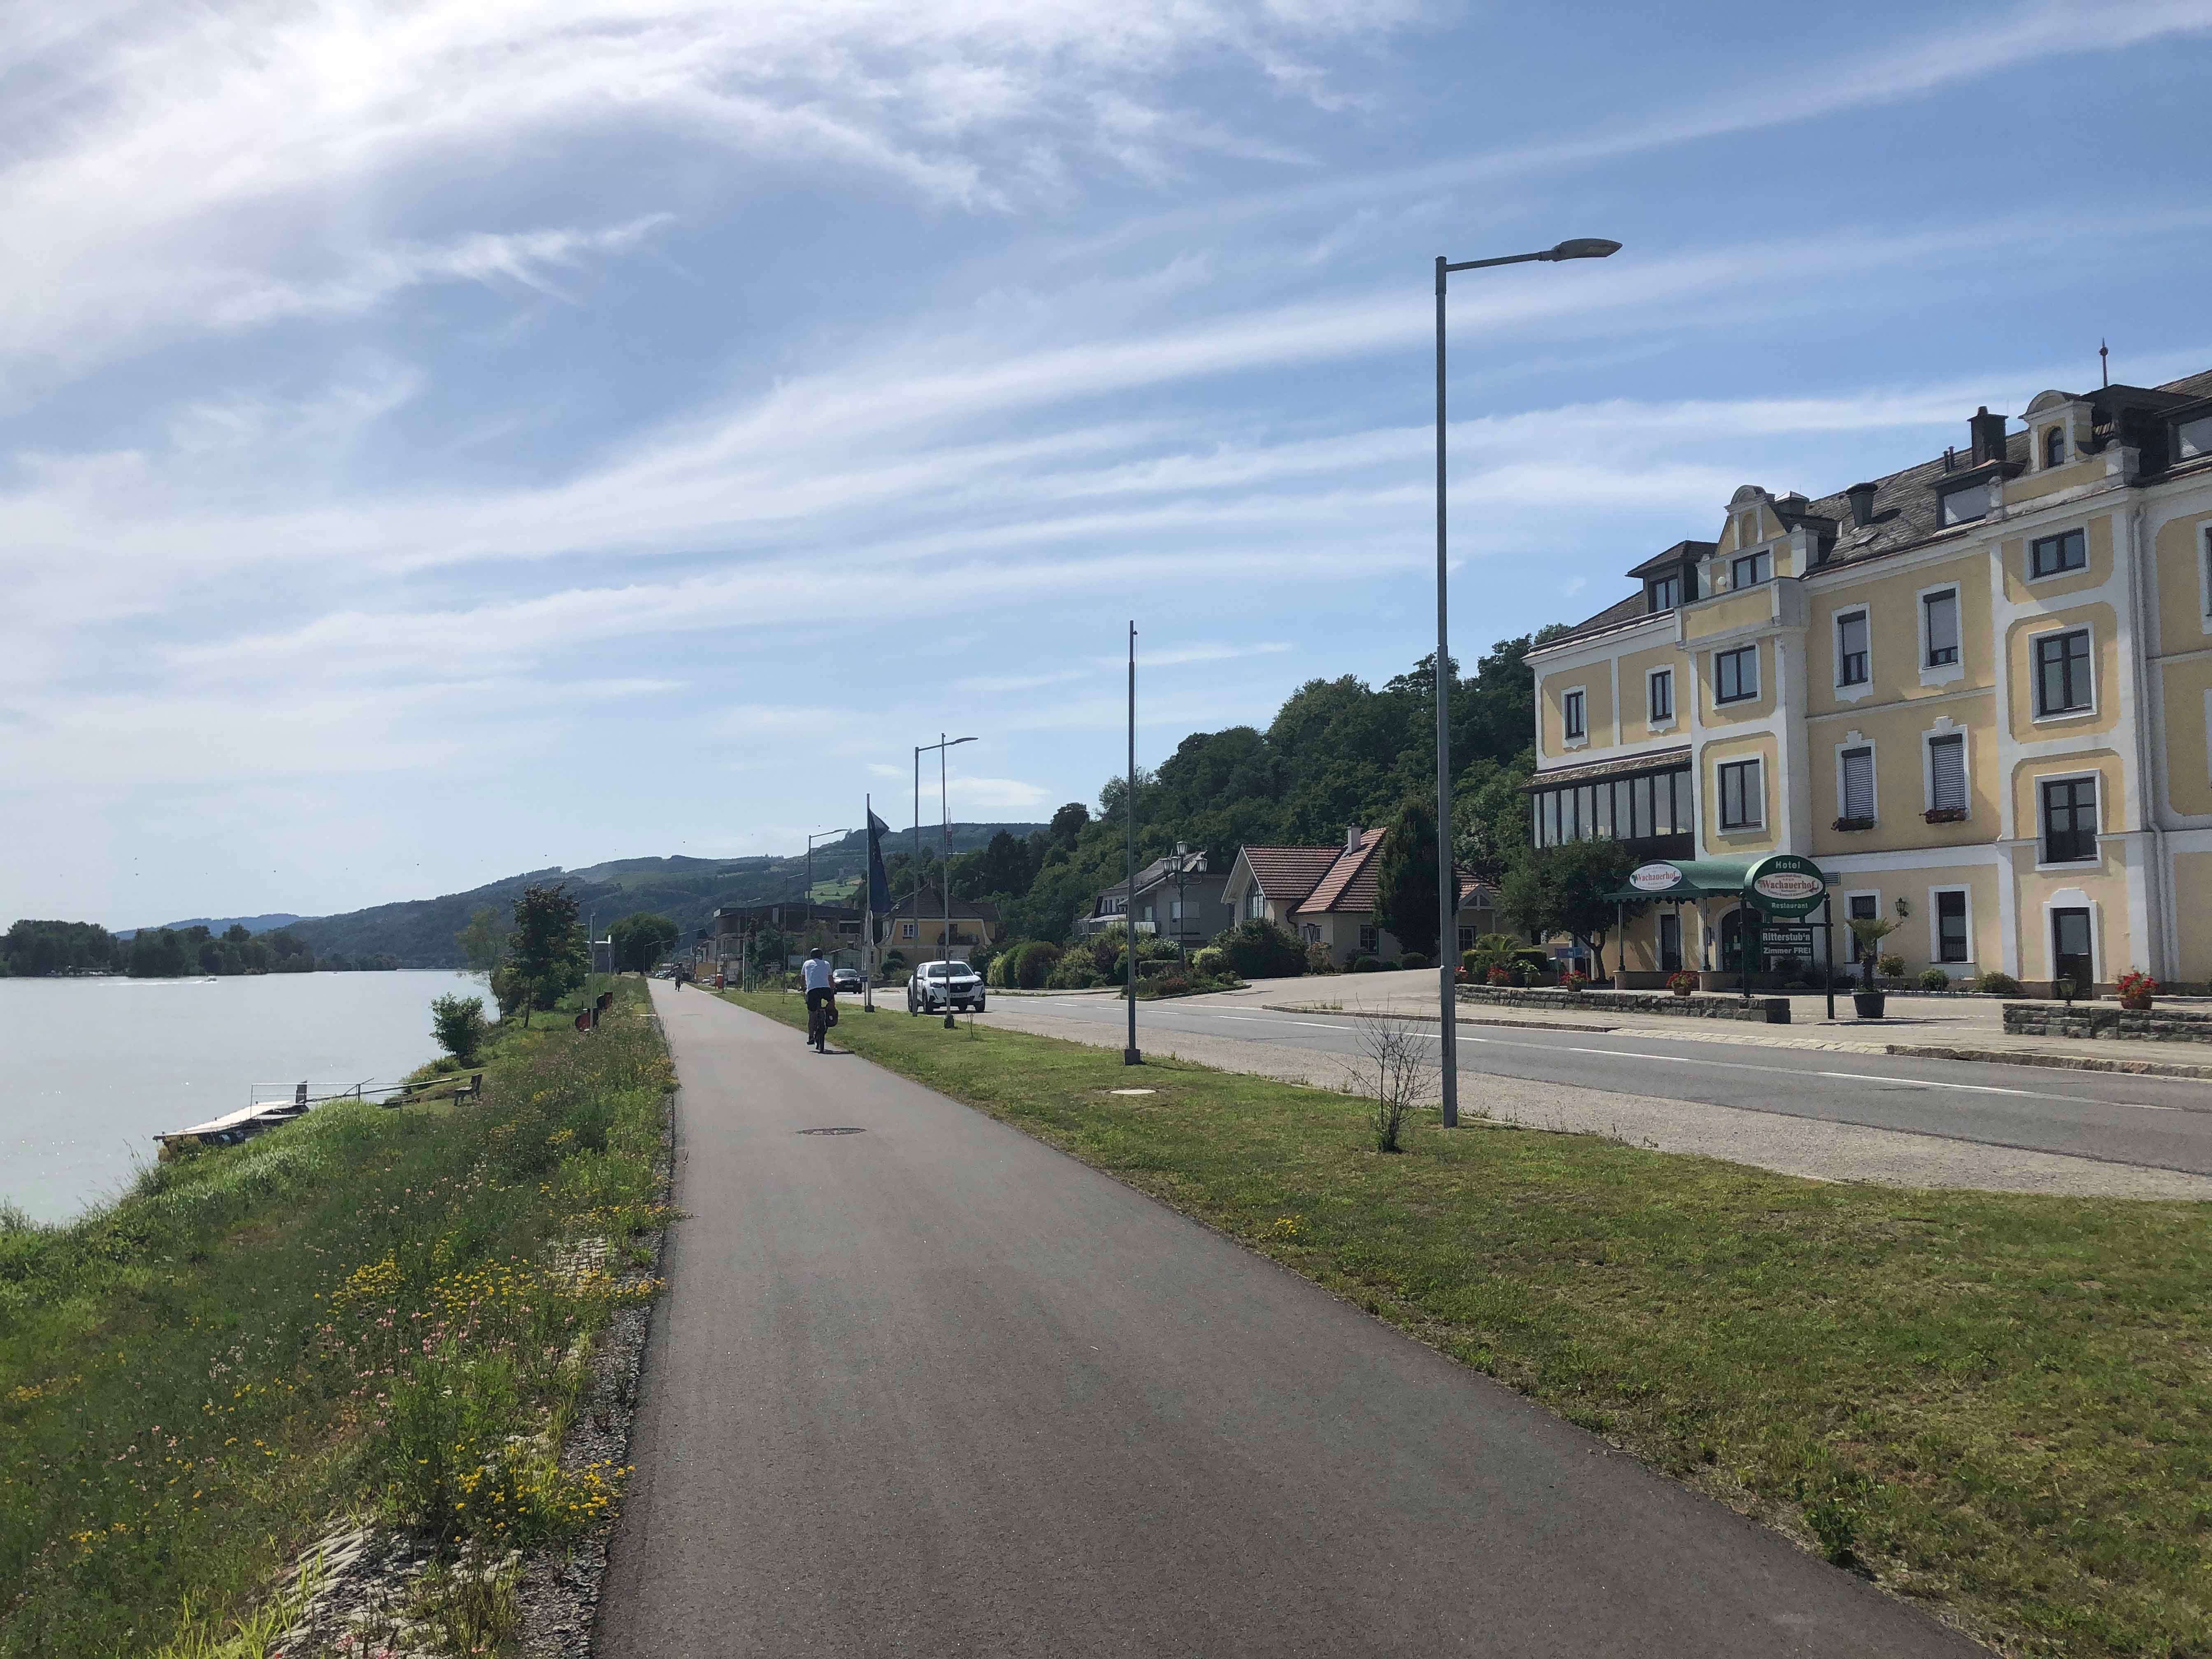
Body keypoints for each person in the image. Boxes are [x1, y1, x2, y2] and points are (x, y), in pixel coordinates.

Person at [801, 946, 835, 1042]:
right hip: (825, 989)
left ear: (811, 956)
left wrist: (803, 988)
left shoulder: (807, 964)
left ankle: (811, 1037)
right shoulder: (826, 964)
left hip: (812, 991)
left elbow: (803, 979)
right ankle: (829, 1016)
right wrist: (832, 989)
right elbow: (830, 979)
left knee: (812, 1015)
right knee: (831, 1002)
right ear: (822, 956)